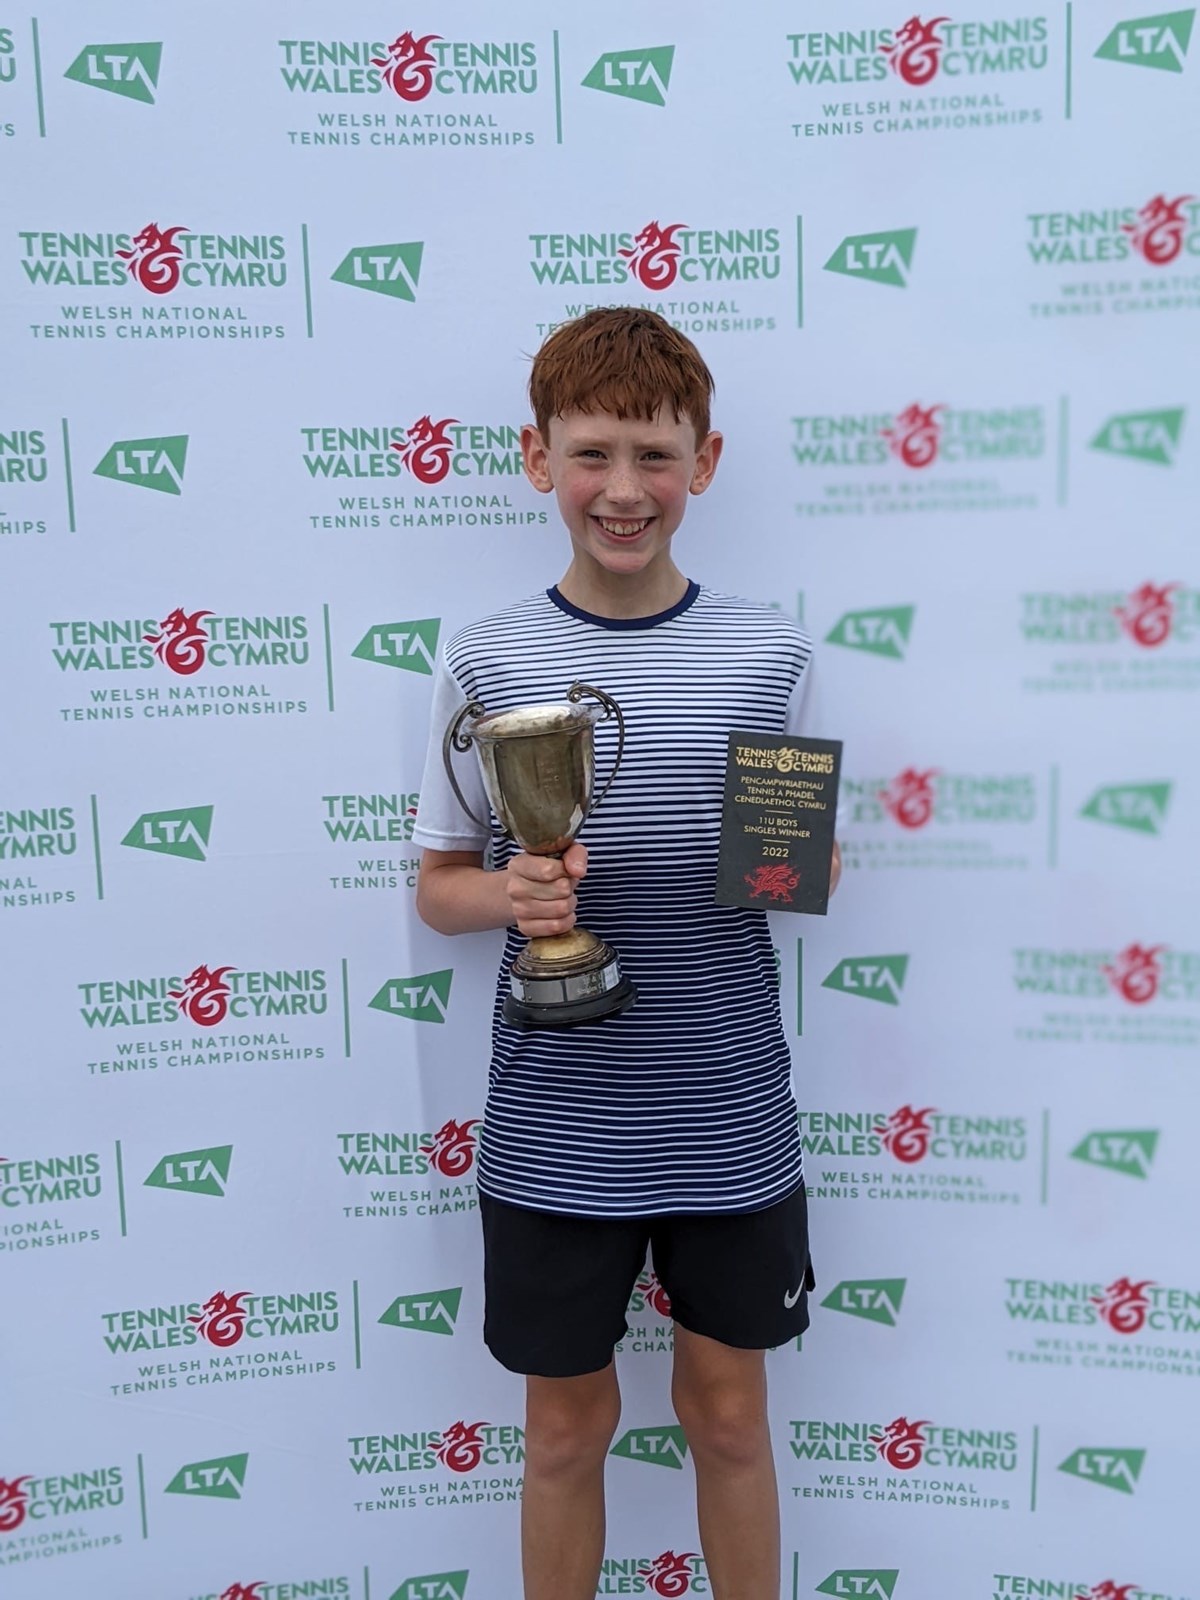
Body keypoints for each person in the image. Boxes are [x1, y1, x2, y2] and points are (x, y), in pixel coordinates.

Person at [412, 306, 841, 1600]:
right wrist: (519, 896)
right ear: (538, 461)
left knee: (726, 1417)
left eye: (655, 457)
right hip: (557, 1119)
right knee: (562, 1433)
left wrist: (787, 851)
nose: (623, 489)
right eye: (593, 453)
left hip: (724, 1108)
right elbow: (438, 891)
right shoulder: (488, 656)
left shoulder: (770, 652)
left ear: (703, 464)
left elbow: (793, 879)